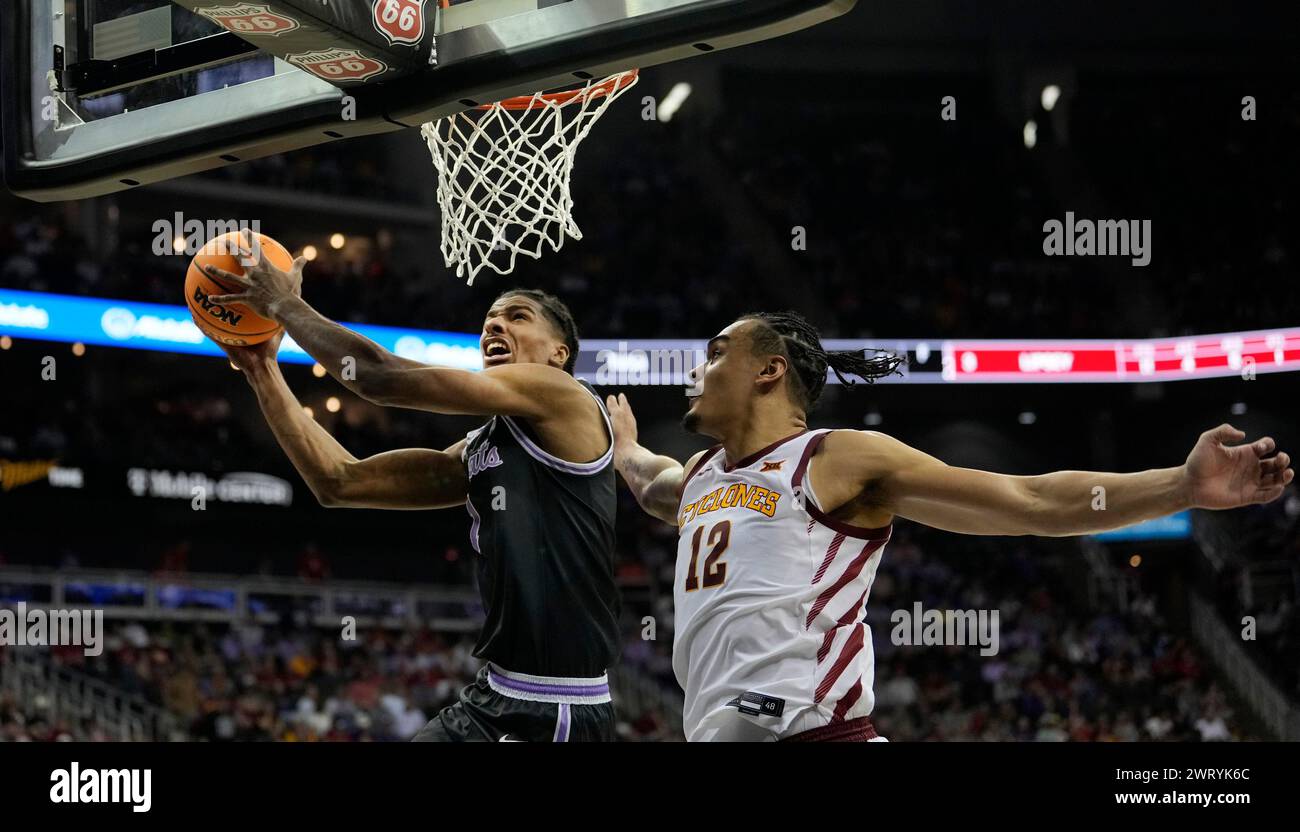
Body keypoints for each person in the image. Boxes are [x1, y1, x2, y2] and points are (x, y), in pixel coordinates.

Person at [608, 310, 1293, 742]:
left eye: (718, 351)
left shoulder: (833, 458)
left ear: (769, 370)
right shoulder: (700, 477)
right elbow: (647, 480)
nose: (698, 369)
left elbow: (1027, 499)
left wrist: (1182, 484)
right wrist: (622, 444)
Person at [204, 234, 620, 742]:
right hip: (496, 694)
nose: (495, 323)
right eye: (491, 316)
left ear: (559, 354)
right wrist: (261, 369)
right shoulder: (479, 449)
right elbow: (340, 482)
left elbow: (379, 376)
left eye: (517, 316)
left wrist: (283, 303)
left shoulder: (567, 396)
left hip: (556, 703)